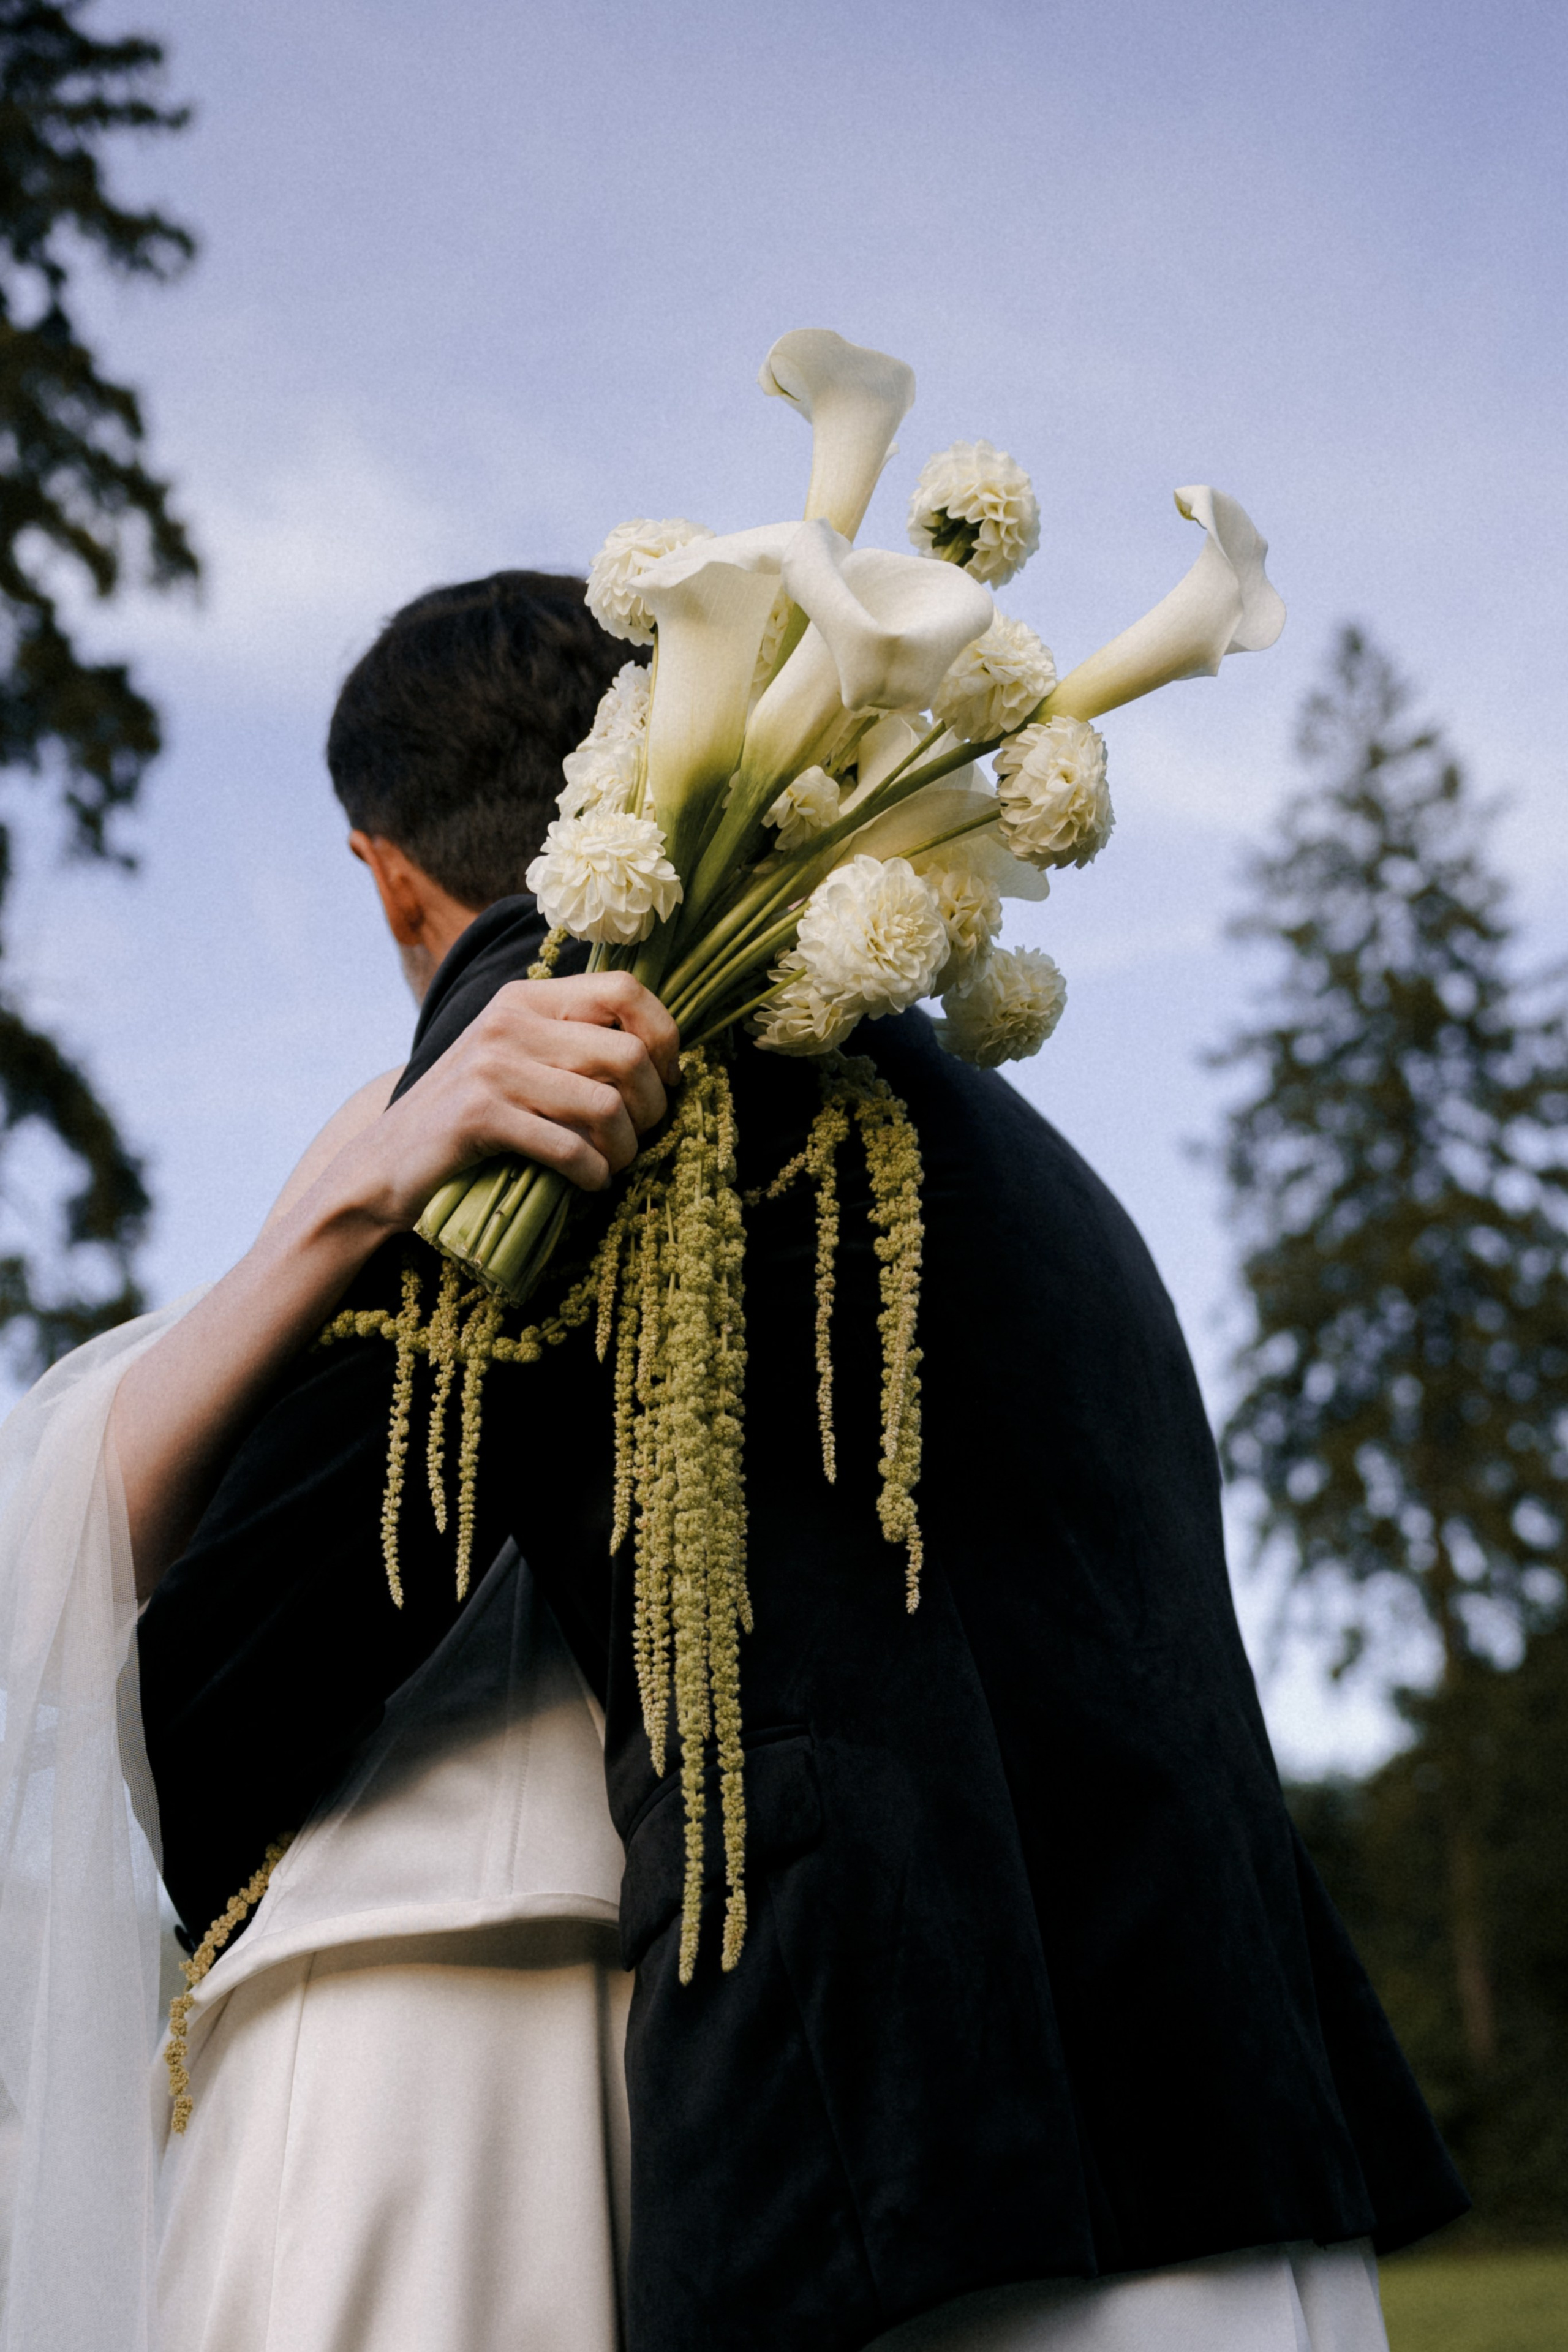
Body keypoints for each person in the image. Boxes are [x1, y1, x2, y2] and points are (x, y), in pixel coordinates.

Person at [13, 567, 1469, 2352]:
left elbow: (214, 1707)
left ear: (388, 879)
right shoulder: (1045, 1176)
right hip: (1256, 2154)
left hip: (920, 2183)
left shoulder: (574, 1090)